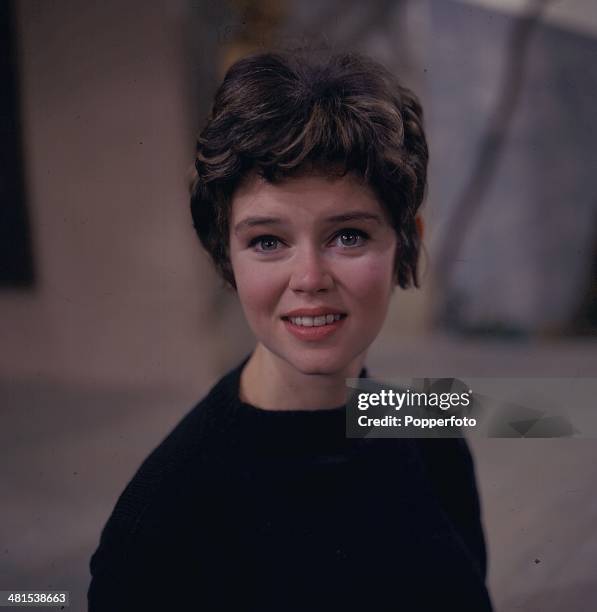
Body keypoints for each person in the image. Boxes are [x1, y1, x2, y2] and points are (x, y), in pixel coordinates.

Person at [88, 48, 493, 611]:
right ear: (225, 256)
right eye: (267, 241)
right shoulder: (162, 519)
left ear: (407, 239)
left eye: (347, 234)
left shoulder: (433, 428)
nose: (309, 279)